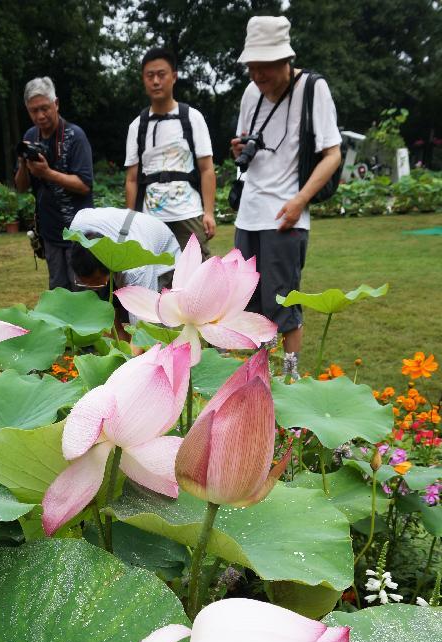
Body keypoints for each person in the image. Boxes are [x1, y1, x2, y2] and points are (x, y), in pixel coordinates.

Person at [231, 16, 341, 379]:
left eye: (265, 68)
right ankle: (256, 382)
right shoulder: (251, 93)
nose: (258, 76)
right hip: (248, 214)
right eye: (252, 68)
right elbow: (247, 148)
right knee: (247, 309)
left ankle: (290, 380)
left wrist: (300, 201)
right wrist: (239, 150)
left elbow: (332, 154)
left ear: (286, 60)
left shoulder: (312, 89)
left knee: (284, 309)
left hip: (285, 218)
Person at [124, 47, 216, 260]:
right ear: (143, 79)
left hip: (189, 213)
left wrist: (209, 212)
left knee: (198, 275)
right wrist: (131, 219)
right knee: (156, 278)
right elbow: (131, 179)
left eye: (161, 74)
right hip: (151, 218)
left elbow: (207, 169)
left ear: (173, 77)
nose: (156, 81)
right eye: (150, 76)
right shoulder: (137, 126)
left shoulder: (192, 118)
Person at [15, 77, 94, 290]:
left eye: (45, 108)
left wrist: (47, 173)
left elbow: (85, 184)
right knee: (58, 291)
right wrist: (23, 164)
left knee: (82, 292)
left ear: (56, 104)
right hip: (50, 231)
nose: (40, 116)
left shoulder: (75, 136)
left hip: (79, 232)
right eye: (33, 111)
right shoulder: (30, 136)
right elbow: (21, 187)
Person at [69, 206, 181, 294]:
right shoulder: (77, 230)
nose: (92, 287)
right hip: (125, 231)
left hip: (163, 254)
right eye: (84, 282)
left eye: (97, 281)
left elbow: (142, 315)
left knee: (152, 305)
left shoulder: (136, 271)